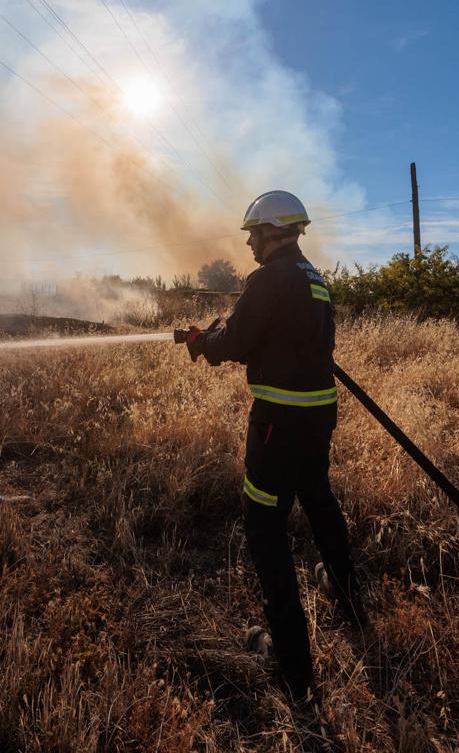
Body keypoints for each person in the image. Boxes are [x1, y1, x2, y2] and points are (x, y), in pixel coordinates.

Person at [183, 190, 365, 703]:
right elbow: (290, 338)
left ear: (274, 230)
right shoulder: (314, 278)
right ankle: (350, 597)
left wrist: (203, 345)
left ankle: (292, 668)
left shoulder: (267, 279)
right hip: (317, 417)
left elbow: (237, 343)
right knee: (318, 497)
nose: (249, 243)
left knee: (264, 526)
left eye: (253, 234)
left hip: (277, 426)